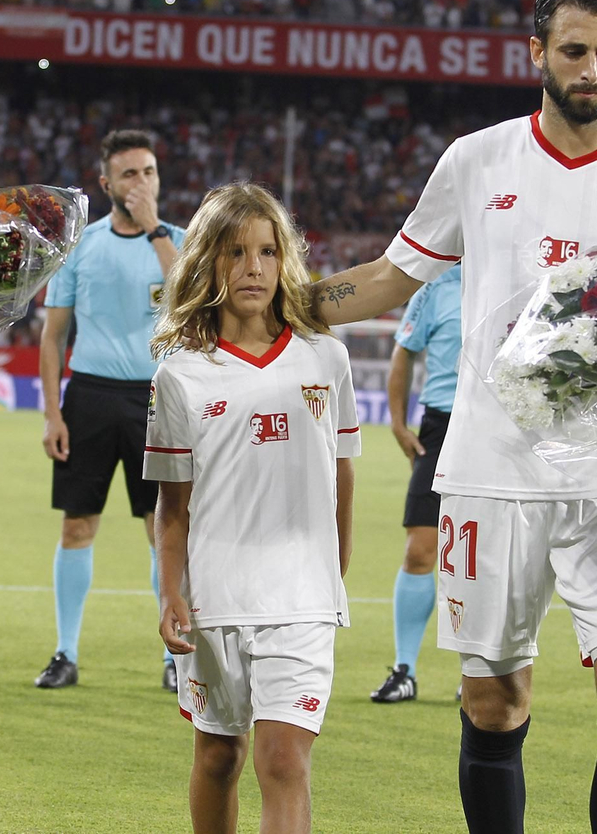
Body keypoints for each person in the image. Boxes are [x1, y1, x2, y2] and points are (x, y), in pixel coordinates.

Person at [312, 0, 597, 834]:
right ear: (537, 54)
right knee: (493, 699)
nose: (588, 67)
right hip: (492, 474)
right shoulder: (476, 161)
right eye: (572, 50)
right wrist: (278, 305)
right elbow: (386, 277)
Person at [146, 183, 359, 834]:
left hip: (301, 598)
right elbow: (173, 504)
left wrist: (331, 577)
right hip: (216, 596)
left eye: (268, 251)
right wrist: (171, 592)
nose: (254, 267)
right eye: (235, 252)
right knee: (218, 755)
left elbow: (342, 476)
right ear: (207, 261)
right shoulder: (180, 375)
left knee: (283, 760)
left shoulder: (326, 357)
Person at [35, 128, 185, 689]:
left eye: (148, 172)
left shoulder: (180, 241)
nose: (141, 183)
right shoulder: (83, 245)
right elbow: (53, 337)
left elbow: (190, 300)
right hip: (91, 397)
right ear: (105, 184)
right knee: (77, 526)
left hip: (159, 398)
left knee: (163, 528)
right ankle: (65, 651)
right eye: (129, 174)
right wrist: (53, 414)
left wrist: (153, 231)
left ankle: (175, 655)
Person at [372, 262, 461, 704]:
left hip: (501, 430)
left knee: (490, 557)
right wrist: (397, 422)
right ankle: (404, 669)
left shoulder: (520, 276)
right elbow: (404, 349)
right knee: (420, 548)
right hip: (441, 427)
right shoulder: (438, 288)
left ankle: (483, 670)